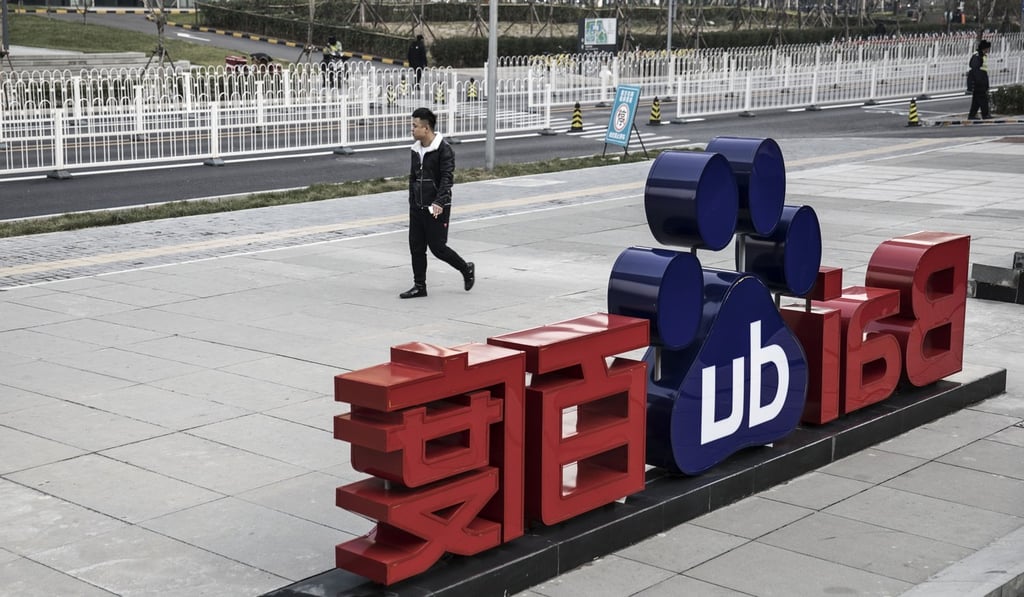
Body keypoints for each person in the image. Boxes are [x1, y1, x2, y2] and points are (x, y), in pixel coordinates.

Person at [400, 107, 474, 299]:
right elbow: (413, 177)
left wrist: (439, 202)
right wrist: (412, 202)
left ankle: (466, 268)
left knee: (438, 248)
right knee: (416, 247)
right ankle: (419, 286)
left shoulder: (444, 150)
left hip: (436, 207)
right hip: (418, 206)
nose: (412, 129)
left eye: (414, 126)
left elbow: (446, 179)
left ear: (426, 128)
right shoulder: (415, 149)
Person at [967, 39, 992, 120]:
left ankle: (972, 115)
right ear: (984, 48)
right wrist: (980, 82)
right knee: (983, 99)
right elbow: (975, 69)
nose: (988, 50)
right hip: (979, 81)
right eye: (988, 48)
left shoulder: (981, 55)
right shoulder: (978, 56)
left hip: (981, 79)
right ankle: (985, 115)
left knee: (976, 100)